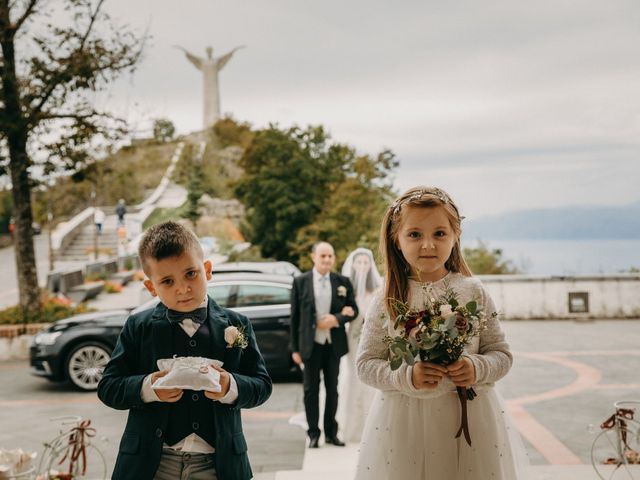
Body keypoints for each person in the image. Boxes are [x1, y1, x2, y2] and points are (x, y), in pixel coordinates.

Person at [355, 186, 526, 479]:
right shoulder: (386, 298)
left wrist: (477, 366)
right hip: (402, 421)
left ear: (455, 235)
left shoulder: (473, 290)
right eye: (414, 234)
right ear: (396, 239)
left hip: (469, 418)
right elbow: (366, 364)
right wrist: (406, 376)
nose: (428, 245)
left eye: (439, 234)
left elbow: (501, 354)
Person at [97, 221, 272, 480]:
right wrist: (149, 387)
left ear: (208, 270)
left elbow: (262, 385)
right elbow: (108, 387)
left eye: (191, 274)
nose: (182, 288)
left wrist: (229, 386)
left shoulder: (237, 324)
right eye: (167, 281)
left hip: (217, 463)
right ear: (151, 287)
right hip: (151, 464)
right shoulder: (138, 326)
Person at [290, 241, 358, 448]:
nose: (327, 259)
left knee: (333, 389)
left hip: (333, 344)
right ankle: (313, 433)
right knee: (310, 390)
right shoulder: (301, 282)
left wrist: (336, 319)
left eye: (330, 256)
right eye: (323, 256)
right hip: (310, 345)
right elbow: (295, 317)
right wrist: (294, 348)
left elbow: (353, 310)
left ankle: (331, 432)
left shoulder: (342, 282)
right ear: (313, 257)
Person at [339, 247, 382, 443]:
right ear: (353, 265)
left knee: (371, 377)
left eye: (366, 262)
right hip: (354, 337)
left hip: (371, 338)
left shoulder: (377, 289)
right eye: (359, 262)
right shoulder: (347, 290)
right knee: (355, 376)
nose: (363, 266)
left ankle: (371, 423)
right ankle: (352, 426)